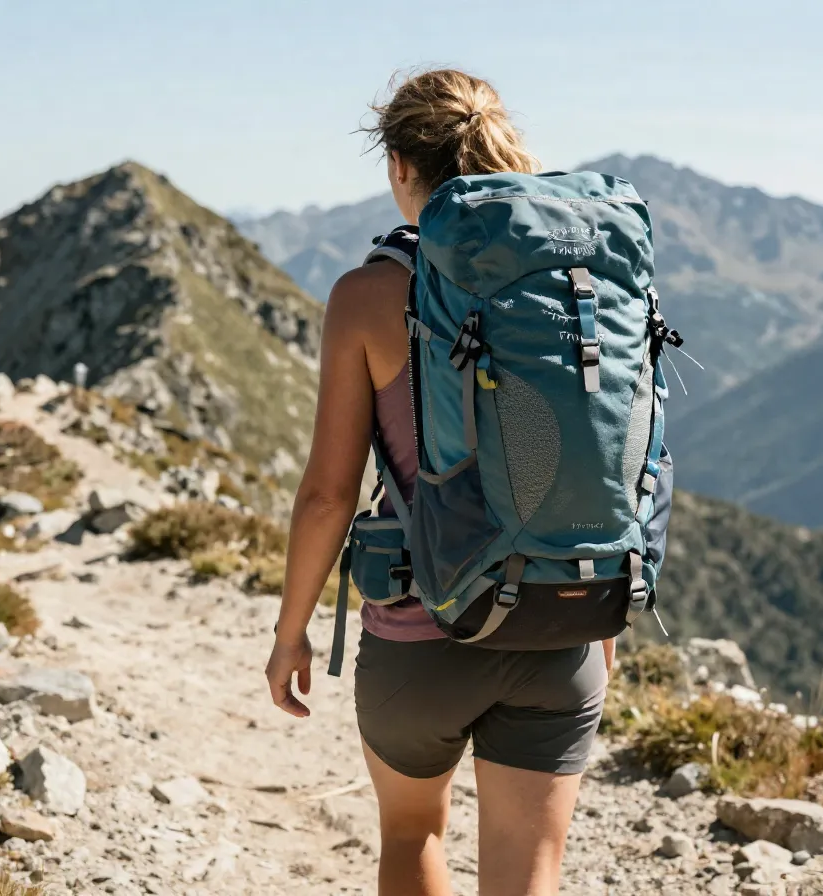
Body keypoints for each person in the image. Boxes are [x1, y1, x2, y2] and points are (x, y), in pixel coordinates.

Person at [265, 68, 613, 896]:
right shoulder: (573, 282)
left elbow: (326, 495)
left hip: (426, 627)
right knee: (531, 870)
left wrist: (290, 633)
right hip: (562, 617)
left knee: (412, 833)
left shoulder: (367, 296)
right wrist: (598, 612)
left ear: (399, 167)